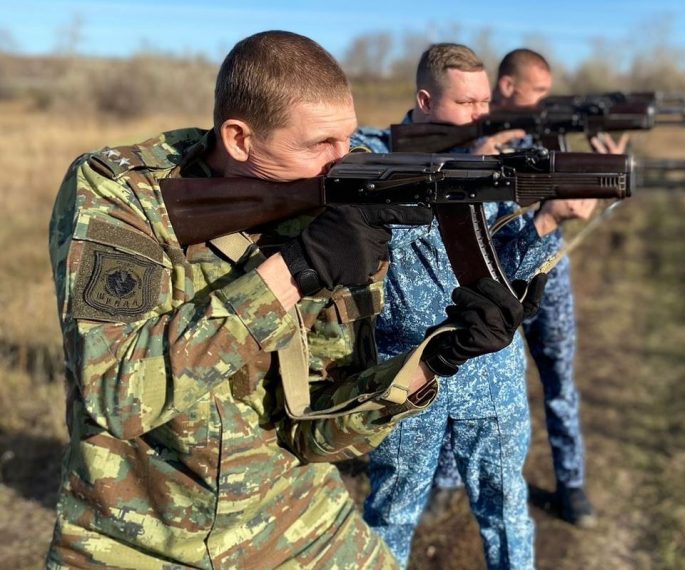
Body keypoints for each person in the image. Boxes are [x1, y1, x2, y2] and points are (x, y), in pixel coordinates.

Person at [46, 31, 536, 569]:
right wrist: (296, 269)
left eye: (348, 140)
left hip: (295, 512)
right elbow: (116, 397)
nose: (342, 161)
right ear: (239, 138)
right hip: (140, 536)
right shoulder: (124, 194)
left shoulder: (337, 199)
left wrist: (440, 356)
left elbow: (317, 434)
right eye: (320, 145)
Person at [352, 43, 588, 569]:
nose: (484, 116)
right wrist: (446, 176)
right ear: (424, 101)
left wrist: (547, 223)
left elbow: (509, 281)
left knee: (506, 514)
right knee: (391, 513)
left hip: (491, 375)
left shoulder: (495, 164)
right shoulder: (370, 154)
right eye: (467, 104)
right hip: (410, 377)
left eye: (486, 102)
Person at [431, 48, 629, 528]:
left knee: (559, 372)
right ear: (507, 87)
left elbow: (567, 191)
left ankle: (571, 481)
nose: (545, 101)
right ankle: (446, 481)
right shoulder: (466, 140)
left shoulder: (544, 134)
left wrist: (602, 175)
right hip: (487, 280)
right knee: (464, 373)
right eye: (538, 90)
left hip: (545, 272)